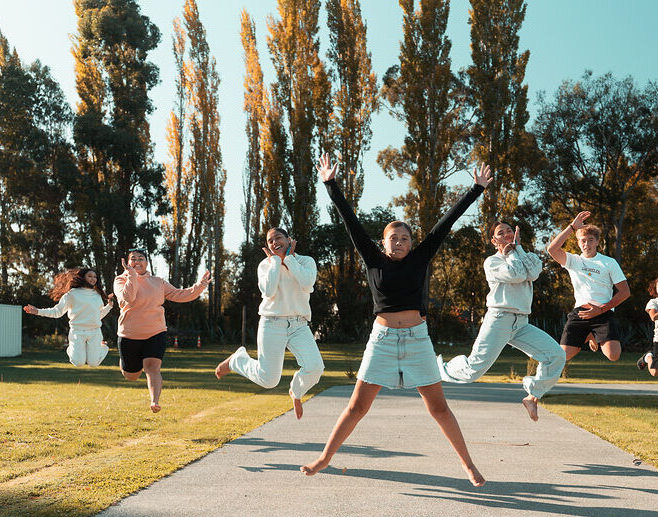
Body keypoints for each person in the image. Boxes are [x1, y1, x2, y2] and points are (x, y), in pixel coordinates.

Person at [301, 153, 491, 487]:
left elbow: (445, 224)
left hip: (418, 340)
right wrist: (330, 184)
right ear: (383, 243)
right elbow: (350, 222)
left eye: (405, 238)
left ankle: (469, 465)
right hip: (383, 341)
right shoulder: (373, 260)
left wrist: (476, 190)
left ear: (412, 243)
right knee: (357, 407)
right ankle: (324, 458)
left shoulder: (420, 259)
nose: (400, 242)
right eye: (394, 238)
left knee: (439, 409)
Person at [437, 222, 565, 421]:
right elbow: (517, 274)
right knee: (473, 370)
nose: (506, 234)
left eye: (509, 230)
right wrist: (511, 253)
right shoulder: (492, 262)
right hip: (499, 319)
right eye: (500, 232)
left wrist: (518, 249)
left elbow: (533, 273)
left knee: (556, 355)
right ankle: (438, 369)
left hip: (521, 323)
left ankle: (533, 396)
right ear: (493, 240)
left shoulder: (527, 256)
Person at [214, 228, 324, 419]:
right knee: (268, 380)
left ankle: (296, 392)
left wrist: (288, 259)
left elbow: (307, 284)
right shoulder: (265, 265)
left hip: (299, 324)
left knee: (315, 367)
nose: (274, 242)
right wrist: (275, 262)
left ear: (289, 240)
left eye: (278, 238)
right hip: (272, 323)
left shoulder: (305, 261)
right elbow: (268, 290)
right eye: (270, 240)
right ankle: (237, 360)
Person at [114, 249, 210, 413]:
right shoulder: (120, 280)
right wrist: (131, 276)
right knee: (132, 375)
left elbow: (180, 295)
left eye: (141, 258)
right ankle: (125, 364)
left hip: (156, 332)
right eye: (133, 259)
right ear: (127, 263)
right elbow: (128, 298)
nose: (137, 261)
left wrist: (200, 286)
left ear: (147, 262)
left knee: (152, 368)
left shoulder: (158, 282)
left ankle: (154, 401)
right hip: (129, 334)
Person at [546, 211, 630, 361]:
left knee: (613, 355)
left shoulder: (609, 262)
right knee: (561, 357)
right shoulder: (573, 261)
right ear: (578, 243)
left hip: (603, 312)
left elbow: (625, 292)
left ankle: (592, 333)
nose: (586, 244)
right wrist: (572, 227)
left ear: (597, 242)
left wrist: (601, 309)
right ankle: (588, 334)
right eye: (583, 241)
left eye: (590, 240)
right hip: (580, 313)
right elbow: (552, 249)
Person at [24, 267, 114, 367]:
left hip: (95, 332)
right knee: (78, 363)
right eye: (90, 276)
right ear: (82, 278)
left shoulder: (97, 295)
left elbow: (97, 316)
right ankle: (70, 347)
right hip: (77, 332)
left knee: (93, 364)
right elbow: (57, 312)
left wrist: (109, 307)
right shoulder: (72, 294)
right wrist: (37, 311)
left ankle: (103, 346)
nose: (93, 279)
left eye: (95, 277)